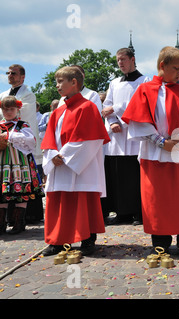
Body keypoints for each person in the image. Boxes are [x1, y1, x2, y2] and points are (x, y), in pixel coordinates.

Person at [122, 46, 179, 257]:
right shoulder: (145, 89)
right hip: (155, 154)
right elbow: (137, 122)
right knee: (157, 199)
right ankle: (160, 241)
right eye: (176, 68)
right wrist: (161, 141)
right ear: (162, 66)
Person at [41, 66, 110, 256]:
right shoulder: (57, 111)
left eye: (61, 81)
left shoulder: (87, 107)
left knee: (83, 199)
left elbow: (91, 138)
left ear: (74, 82)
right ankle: (58, 241)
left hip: (81, 165)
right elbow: (48, 138)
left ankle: (87, 240)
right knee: (59, 201)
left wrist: (64, 155)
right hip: (59, 163)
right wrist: (53, 154)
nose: (57, 86)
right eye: (56, 81)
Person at [100, 48, 149, 225]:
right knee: (117, 174)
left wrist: (116, 110)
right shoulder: (114, 83)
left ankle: (138, 212)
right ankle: (122, 212)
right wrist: (112, 121)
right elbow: (107, 105)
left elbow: (142, 102)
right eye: (118, 60)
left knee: (134, 176)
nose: (120, 63)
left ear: (132, 59)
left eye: (123, 59)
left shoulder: (145, 81)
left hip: (134, 134)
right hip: (117, 136)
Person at [0, 64, 43, 225]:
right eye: (8, 73)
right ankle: (5, 220)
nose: (10, 75)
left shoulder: (28, 94)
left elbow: (23, 113)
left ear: (22, 76)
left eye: (14, 73)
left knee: (22, 181)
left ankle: (25, 218)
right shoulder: (3, 93)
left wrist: (8, 109)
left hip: (19, 147)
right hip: (4, 148)